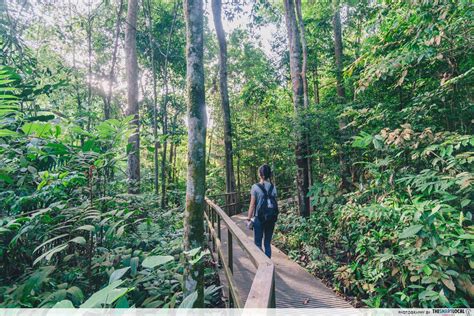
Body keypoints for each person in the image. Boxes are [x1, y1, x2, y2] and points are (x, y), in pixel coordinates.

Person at [246, 164, 278, 258]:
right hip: (271, 218)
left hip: (259, 218)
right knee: (267, 243)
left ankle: (262, 265)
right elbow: (275, 203)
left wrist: (248, 218)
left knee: (258, 244)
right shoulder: (273, 187)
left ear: (261, 175)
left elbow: (252, 205)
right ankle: (268, 263)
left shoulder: (255, 187)